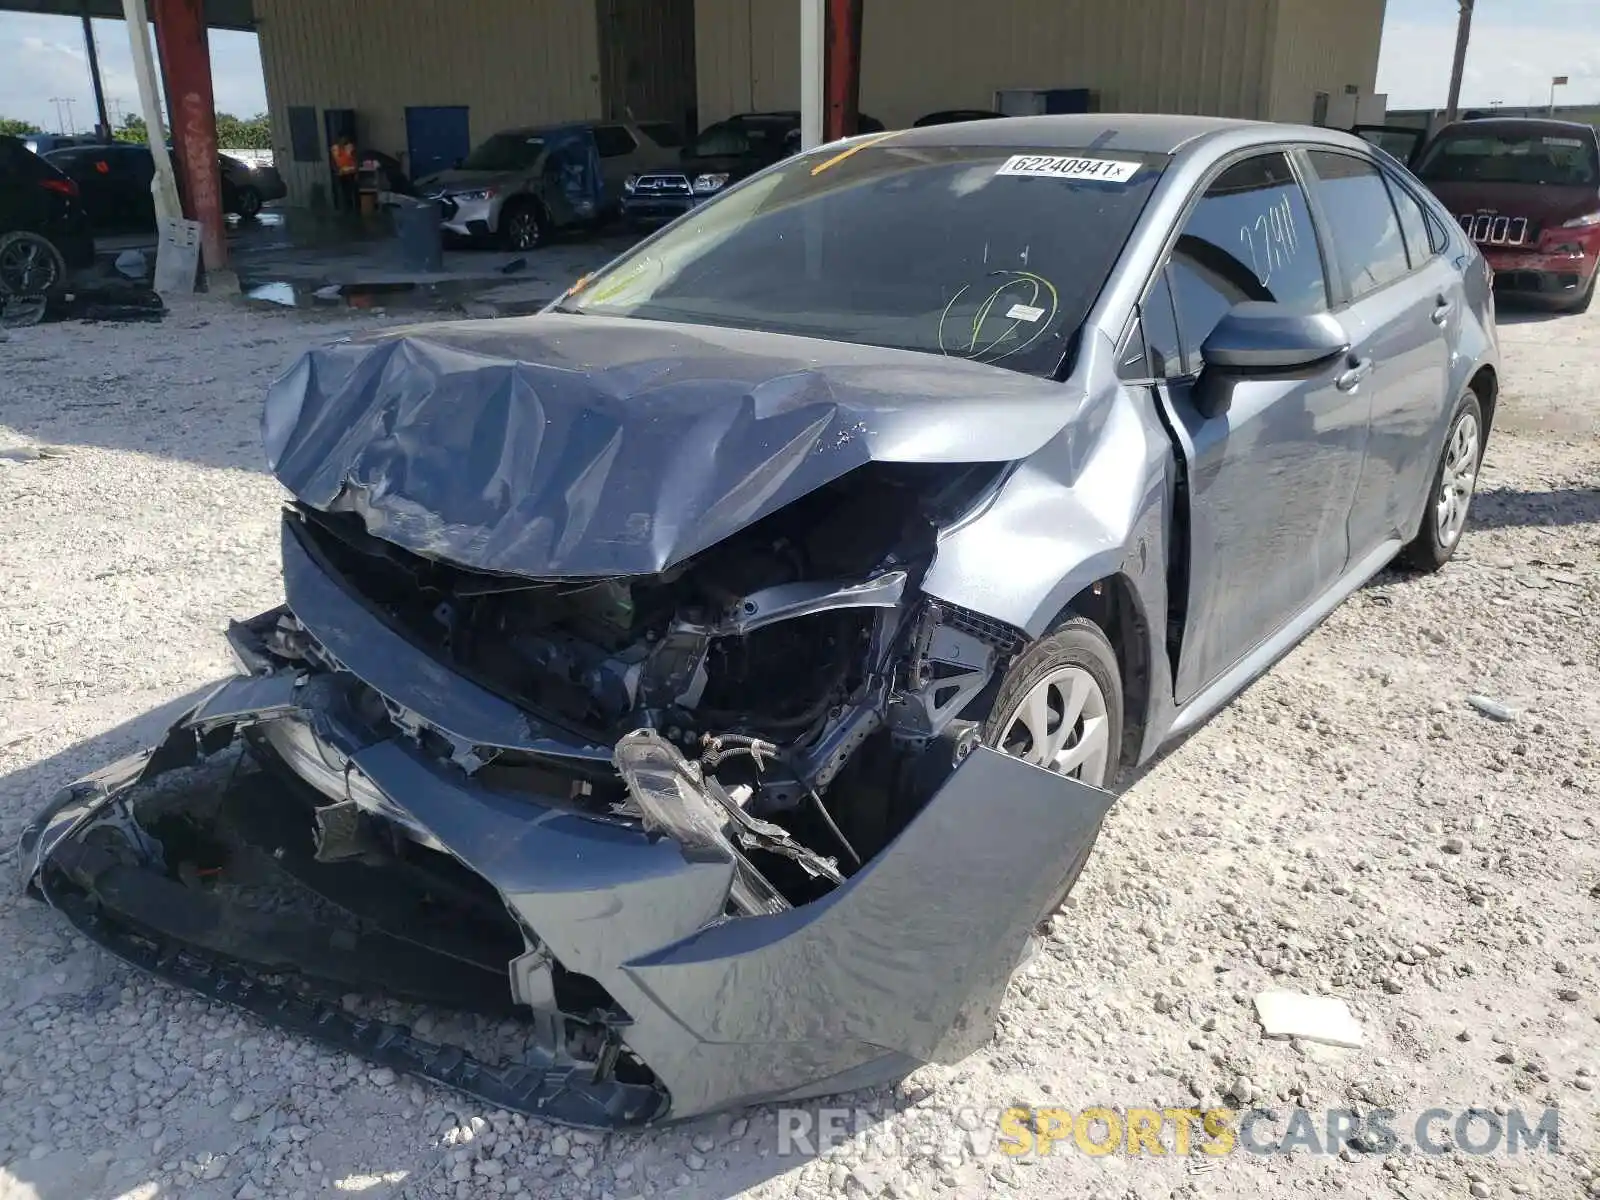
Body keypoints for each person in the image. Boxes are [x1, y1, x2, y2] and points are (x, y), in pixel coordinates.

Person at [331, 135, 359, 211]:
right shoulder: (336, 149)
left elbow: (354, 159)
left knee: (351, 191)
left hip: (349, 172)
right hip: (343, 173)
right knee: (346, 192)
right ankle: (348, 207)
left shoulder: (348, 148)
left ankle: (353, 208)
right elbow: (335, 161)